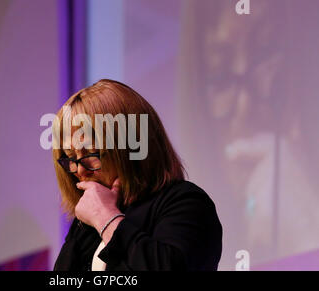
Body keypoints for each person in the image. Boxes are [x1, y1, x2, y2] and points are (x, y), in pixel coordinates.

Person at [52, 79, 222, 271]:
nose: (80, 170)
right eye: (71, 158)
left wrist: (105, 219)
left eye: (91, 152)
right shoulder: (83, 228)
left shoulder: (186, 203)